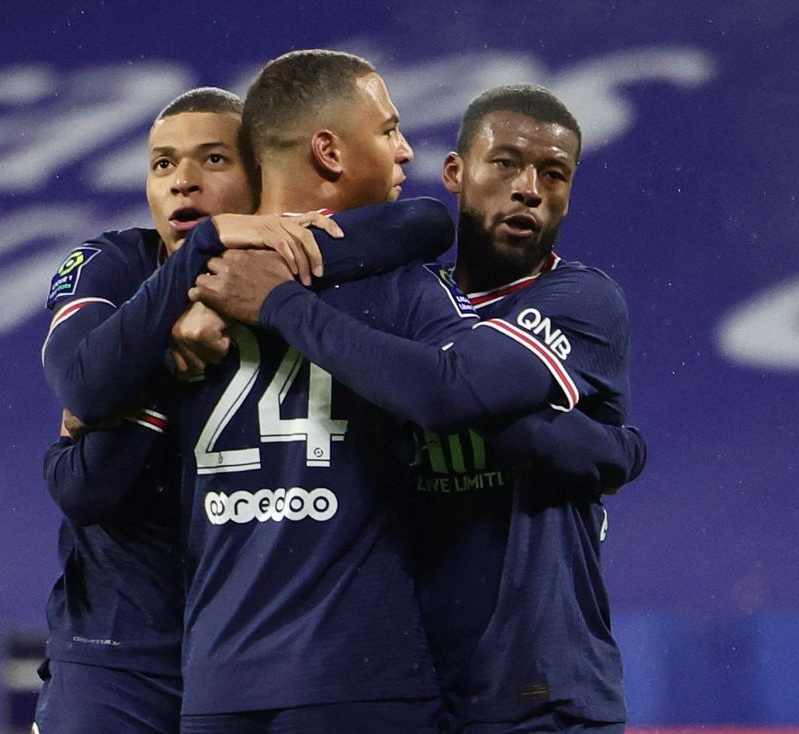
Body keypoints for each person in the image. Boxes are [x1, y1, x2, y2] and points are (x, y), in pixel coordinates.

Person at [191, 84, 639, 733]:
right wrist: (597, 446)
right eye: (506, 163)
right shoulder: (404, 301)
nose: (529, 188)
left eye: (554, 174)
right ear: (456, 173)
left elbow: (445, 392)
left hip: (537, 690)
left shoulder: (581, 299)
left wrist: (283, 305)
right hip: (413, 686)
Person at [35, 83, 459, 734]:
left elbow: (425, 220)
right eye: (162, 164)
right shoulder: (111, 267)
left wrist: (250, 261)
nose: (181, 182)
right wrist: (193, 283)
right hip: (119, 657)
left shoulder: (294, 275)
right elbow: (81, 388)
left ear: (263, 174)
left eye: (212, 160)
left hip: (240, 651)